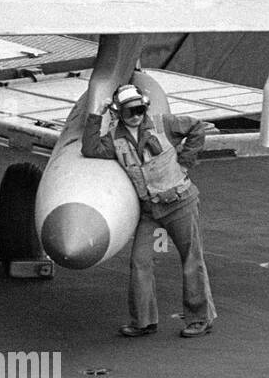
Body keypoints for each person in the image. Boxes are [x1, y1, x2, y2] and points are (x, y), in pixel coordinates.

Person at [82, 83, 218, 338]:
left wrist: (186, 162)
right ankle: (143, 321)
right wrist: (96, 115)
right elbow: (90, 148)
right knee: (139, 262)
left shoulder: (162, 123)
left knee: (191, 260)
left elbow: (197, 128)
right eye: (129, 111)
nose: (136, 115)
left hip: (180, 203)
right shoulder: (114, 139)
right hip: (150, 210)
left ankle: (200, 319)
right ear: (119, 113)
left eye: (139, 109)